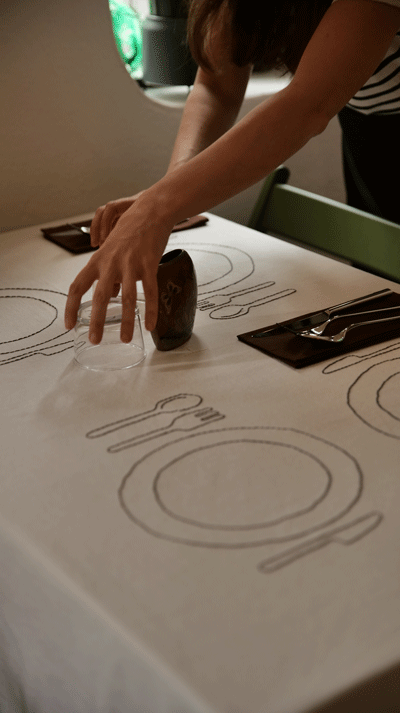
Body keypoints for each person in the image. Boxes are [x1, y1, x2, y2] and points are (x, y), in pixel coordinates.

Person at [64, 0, 400, 345]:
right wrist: (171, 189)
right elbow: (217, 88)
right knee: (382, 292)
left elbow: (307, 106)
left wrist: (158, 207)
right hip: (365, 128)